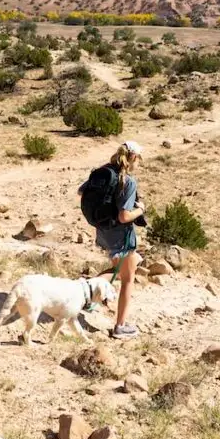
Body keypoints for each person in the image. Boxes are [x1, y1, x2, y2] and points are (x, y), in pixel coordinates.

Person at [78, 141, 146, 340]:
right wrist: (140, 209)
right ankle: (120, 326)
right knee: (127, 279)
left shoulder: (103, 172)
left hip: (103, 230)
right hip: (120, 235)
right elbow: (124, 216)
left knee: (121, 269)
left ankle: (88, 298)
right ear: (134, 158)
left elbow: (82, 191)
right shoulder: (128, 181)